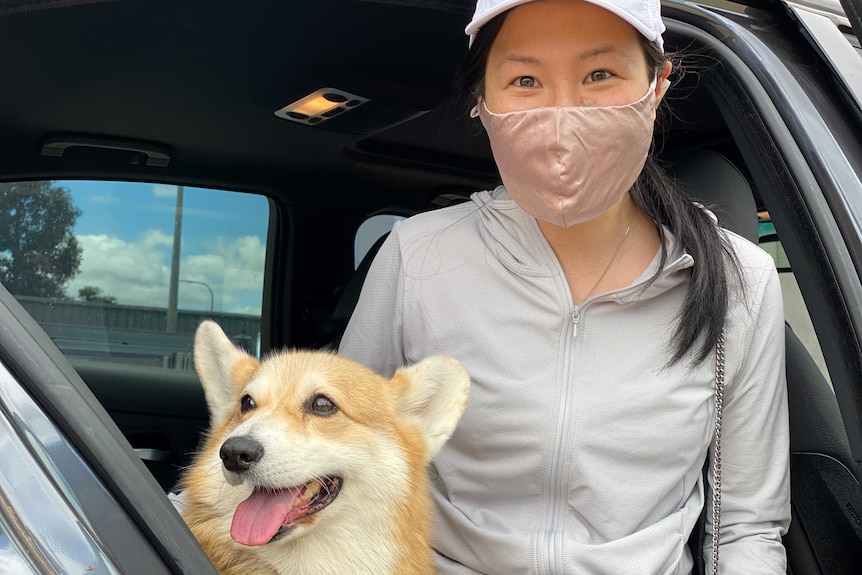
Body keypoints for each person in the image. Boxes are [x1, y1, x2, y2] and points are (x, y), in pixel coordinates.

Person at [339, 0, 791, 573]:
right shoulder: (416, 256)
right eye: (525, 80)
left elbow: (747, 527)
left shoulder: (739, 280)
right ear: (483, 100)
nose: (562, 114)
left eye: (600, 74)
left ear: (656, 85)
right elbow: (342, 461)